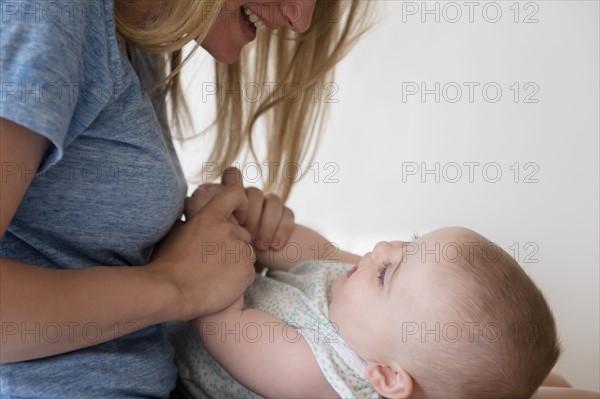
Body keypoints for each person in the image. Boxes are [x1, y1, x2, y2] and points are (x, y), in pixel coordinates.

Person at [0, 0, 371, 396]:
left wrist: (217, 245)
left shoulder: (131, 37)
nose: (300, 20)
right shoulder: (49, 15)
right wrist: (175, 285)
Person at [165, 183, 562, 399]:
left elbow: (221, 322)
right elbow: (315, 250)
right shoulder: (366, 295)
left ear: (387, 377)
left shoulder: (317, 370)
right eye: (410, 243)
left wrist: (211, 236)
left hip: (186, 351)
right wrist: (248, 223)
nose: (384, 248)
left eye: (387, 274)